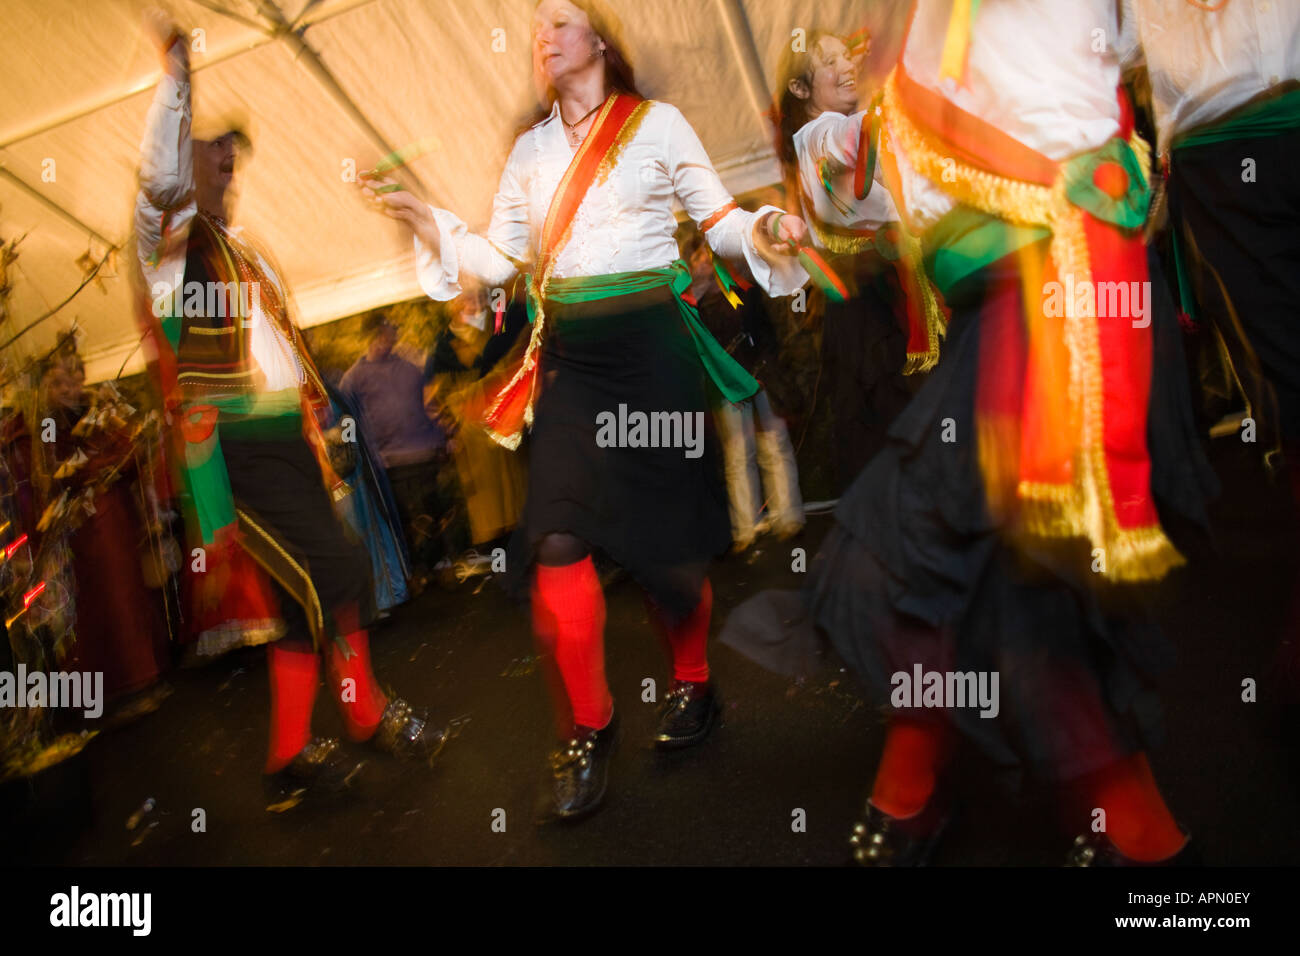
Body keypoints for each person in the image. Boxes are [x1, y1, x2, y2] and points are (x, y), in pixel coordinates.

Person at [722, 0, 1217, 866]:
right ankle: (1099, 828)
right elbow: (865, 189)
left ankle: (973, 797)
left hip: (1061, 299)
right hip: (1008, 311)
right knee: (991, 574)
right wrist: (783, 213)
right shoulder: (903, 67)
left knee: (948, 563)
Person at [364, 0, 809, 821]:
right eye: (538, 25)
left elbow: (718, 222)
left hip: (652, 349)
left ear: (600, 39)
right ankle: (590, 727)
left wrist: (771, 227)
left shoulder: (659, 125)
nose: (545, 33)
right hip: (568, 357)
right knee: (558, 535)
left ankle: (695, 686)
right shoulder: (529, 153)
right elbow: (497, 260)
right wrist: (432, 224)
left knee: (669, 557)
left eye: (561, 19)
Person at [133, 9, 444, 799]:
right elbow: (160, 175)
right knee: (338, 571)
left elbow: (280, 354)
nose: (228, 162)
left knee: (298, 600)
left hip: (282, 441)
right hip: (236, 450)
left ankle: (286, 757)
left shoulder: (243, 252)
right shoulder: (172, 243)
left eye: (233, 156)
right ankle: (365, 712)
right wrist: (177, 76)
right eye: (213, 152)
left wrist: (318, 420)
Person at [774, 28, 944, 494]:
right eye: (829, 62)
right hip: (875, 306)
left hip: (877, 297)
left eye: (846, 57)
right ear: (800, 88)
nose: (847, 67)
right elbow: (866, 132)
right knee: (902, 424)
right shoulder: (819, 135)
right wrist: (896, 69)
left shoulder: (824, 135)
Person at [679, 227, 804, 551]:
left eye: (708, 253)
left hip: (759, 375)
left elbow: (765, 330)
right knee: (738, 456)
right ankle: (746, 529)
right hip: (725, 388)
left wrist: (770, 366)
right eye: (699, 256)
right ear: (690, 263)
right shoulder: (691, 307)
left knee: (775, 445)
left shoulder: (741, 289)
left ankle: (787, 517)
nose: (706, 259)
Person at [340, 313, 455, 583]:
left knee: (434, 511)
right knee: (403, 519)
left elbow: (433, 401)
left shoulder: (412, 365)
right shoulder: (354, 379)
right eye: (380, 334)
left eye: (389, 333)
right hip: (389, 461)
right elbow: (346, 420)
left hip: (424, 451)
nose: (386, 340)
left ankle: (441, 564)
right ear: (369, 337)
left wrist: (446, 435)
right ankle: (414, 571)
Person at [424, 282, 528, 557]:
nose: (473, 302)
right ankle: (499, 556)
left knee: (514, 492)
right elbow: (442, 393)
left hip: (502, 421)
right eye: (466, 298)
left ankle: (521, 547)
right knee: (488, 501)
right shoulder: (444, 346)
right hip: (472, 431)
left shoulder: (495, 331)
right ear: (454, 304)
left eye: (475, 296)